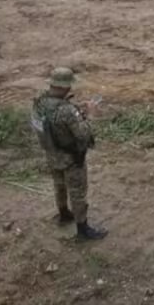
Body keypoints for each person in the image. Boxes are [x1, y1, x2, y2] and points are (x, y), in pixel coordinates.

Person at [30, 67, 107, 241]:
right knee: (78, 193)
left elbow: (50, 124)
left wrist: (76, 113)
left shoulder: (39, 102)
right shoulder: (66, 110)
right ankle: (83, 229)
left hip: (52, 154)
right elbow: (83, 135)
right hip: (71, 159)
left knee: (59, 185)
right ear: (66, 87)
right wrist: (91, 115)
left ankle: (64, 214)